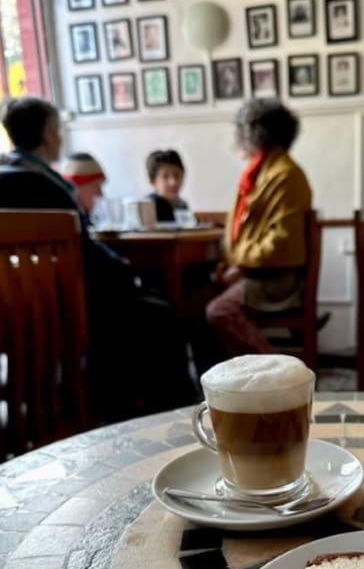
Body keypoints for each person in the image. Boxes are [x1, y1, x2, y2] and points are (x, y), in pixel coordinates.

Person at [0, 97, 195, 420]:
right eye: (58, 129)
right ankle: (167, 418)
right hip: (66, 310)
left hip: (16, 313)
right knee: (162, 314)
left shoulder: (6, 177)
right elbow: (87, 256)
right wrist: (127, 271)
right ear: (49, 132)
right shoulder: (46, 187)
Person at [205, 99, 312, 358]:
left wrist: (239, 265)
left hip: (276, 279)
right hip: (259, 271)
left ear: (253, 135)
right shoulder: (261, 172)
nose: (236, 140)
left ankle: (274, 370)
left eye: (239, 132)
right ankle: (219, 378)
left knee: (219, 310)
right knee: (194, 303)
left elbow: (280, 243)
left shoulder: (284, 174)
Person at [144, 149, 190, 224]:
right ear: (152, 180)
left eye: (177, 176)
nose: (173, 182)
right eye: (165, 177)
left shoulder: (182, 204)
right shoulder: (149, 207)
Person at [59, 153, 106, 223]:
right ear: (76, 188)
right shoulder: (66, 222)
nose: (101, 193)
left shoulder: (90, 219)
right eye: (95, 186)